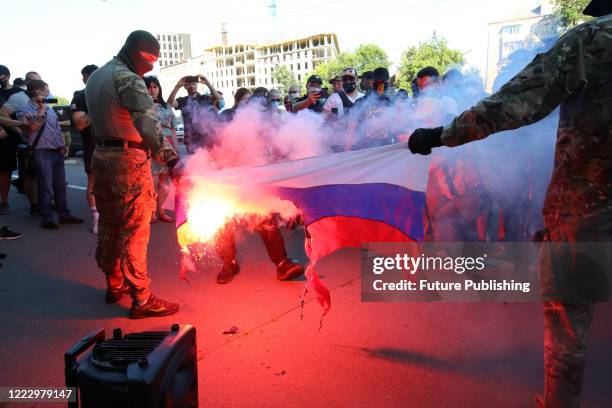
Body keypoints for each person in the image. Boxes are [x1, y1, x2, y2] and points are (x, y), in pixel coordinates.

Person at [408, 2, 612, 406]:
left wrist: (440, 136)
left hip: (590, 200)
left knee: (569, 314)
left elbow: (516, 103)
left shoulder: (592, 40)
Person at [85, 30, 180, 319]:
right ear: (134, 51)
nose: (151, 65)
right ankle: (142, 298)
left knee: (111, 226)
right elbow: (148, 127)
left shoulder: (97, 76)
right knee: (135, 231)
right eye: (149, 58)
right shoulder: (128, 79)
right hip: (128, 162)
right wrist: (172, 158)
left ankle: (114, 284)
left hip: (102, 156)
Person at [18, 80, 83, 229]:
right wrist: (41, 110)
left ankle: (64, 215)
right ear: (39, 92)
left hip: (56, 151)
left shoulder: (50, 107)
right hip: (41, 152)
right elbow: (33, 126)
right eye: (46, 91)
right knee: (45, 186)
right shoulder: (25, 109)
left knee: (60, 186)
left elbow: (55, 128)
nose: (49, 93)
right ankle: (46, 218)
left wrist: (61, 146)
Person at [144, 75, 177, 223]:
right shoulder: (142, 106)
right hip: (150, 145)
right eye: (149, 87)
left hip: (168, 145)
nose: (152, 90)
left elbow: (173, 128)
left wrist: (174, 148)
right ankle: (152, 212)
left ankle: (162, 211)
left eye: (155, 86)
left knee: (164, 182)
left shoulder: (167, 107)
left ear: (159, 89)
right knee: (153, 181)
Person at [71, 64, 99, 233]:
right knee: (93, 183)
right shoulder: (80, 97)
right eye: (88, 77)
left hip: (116, 148)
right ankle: (96, 219)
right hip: (93, 146)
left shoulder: (112, 93)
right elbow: (80, 124)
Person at [167, 74, 221, 154]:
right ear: (185, 87)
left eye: (194, 83)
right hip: (191, 140)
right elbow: (169, 103)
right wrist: (177, 87)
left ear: (197, 85)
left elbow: (218, 98)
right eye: (188, 84)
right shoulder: (182, 100)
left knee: (209, 163)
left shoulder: (204, 98)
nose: (191, 86)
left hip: (207, 137)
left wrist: (207, 83)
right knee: (195, 163)